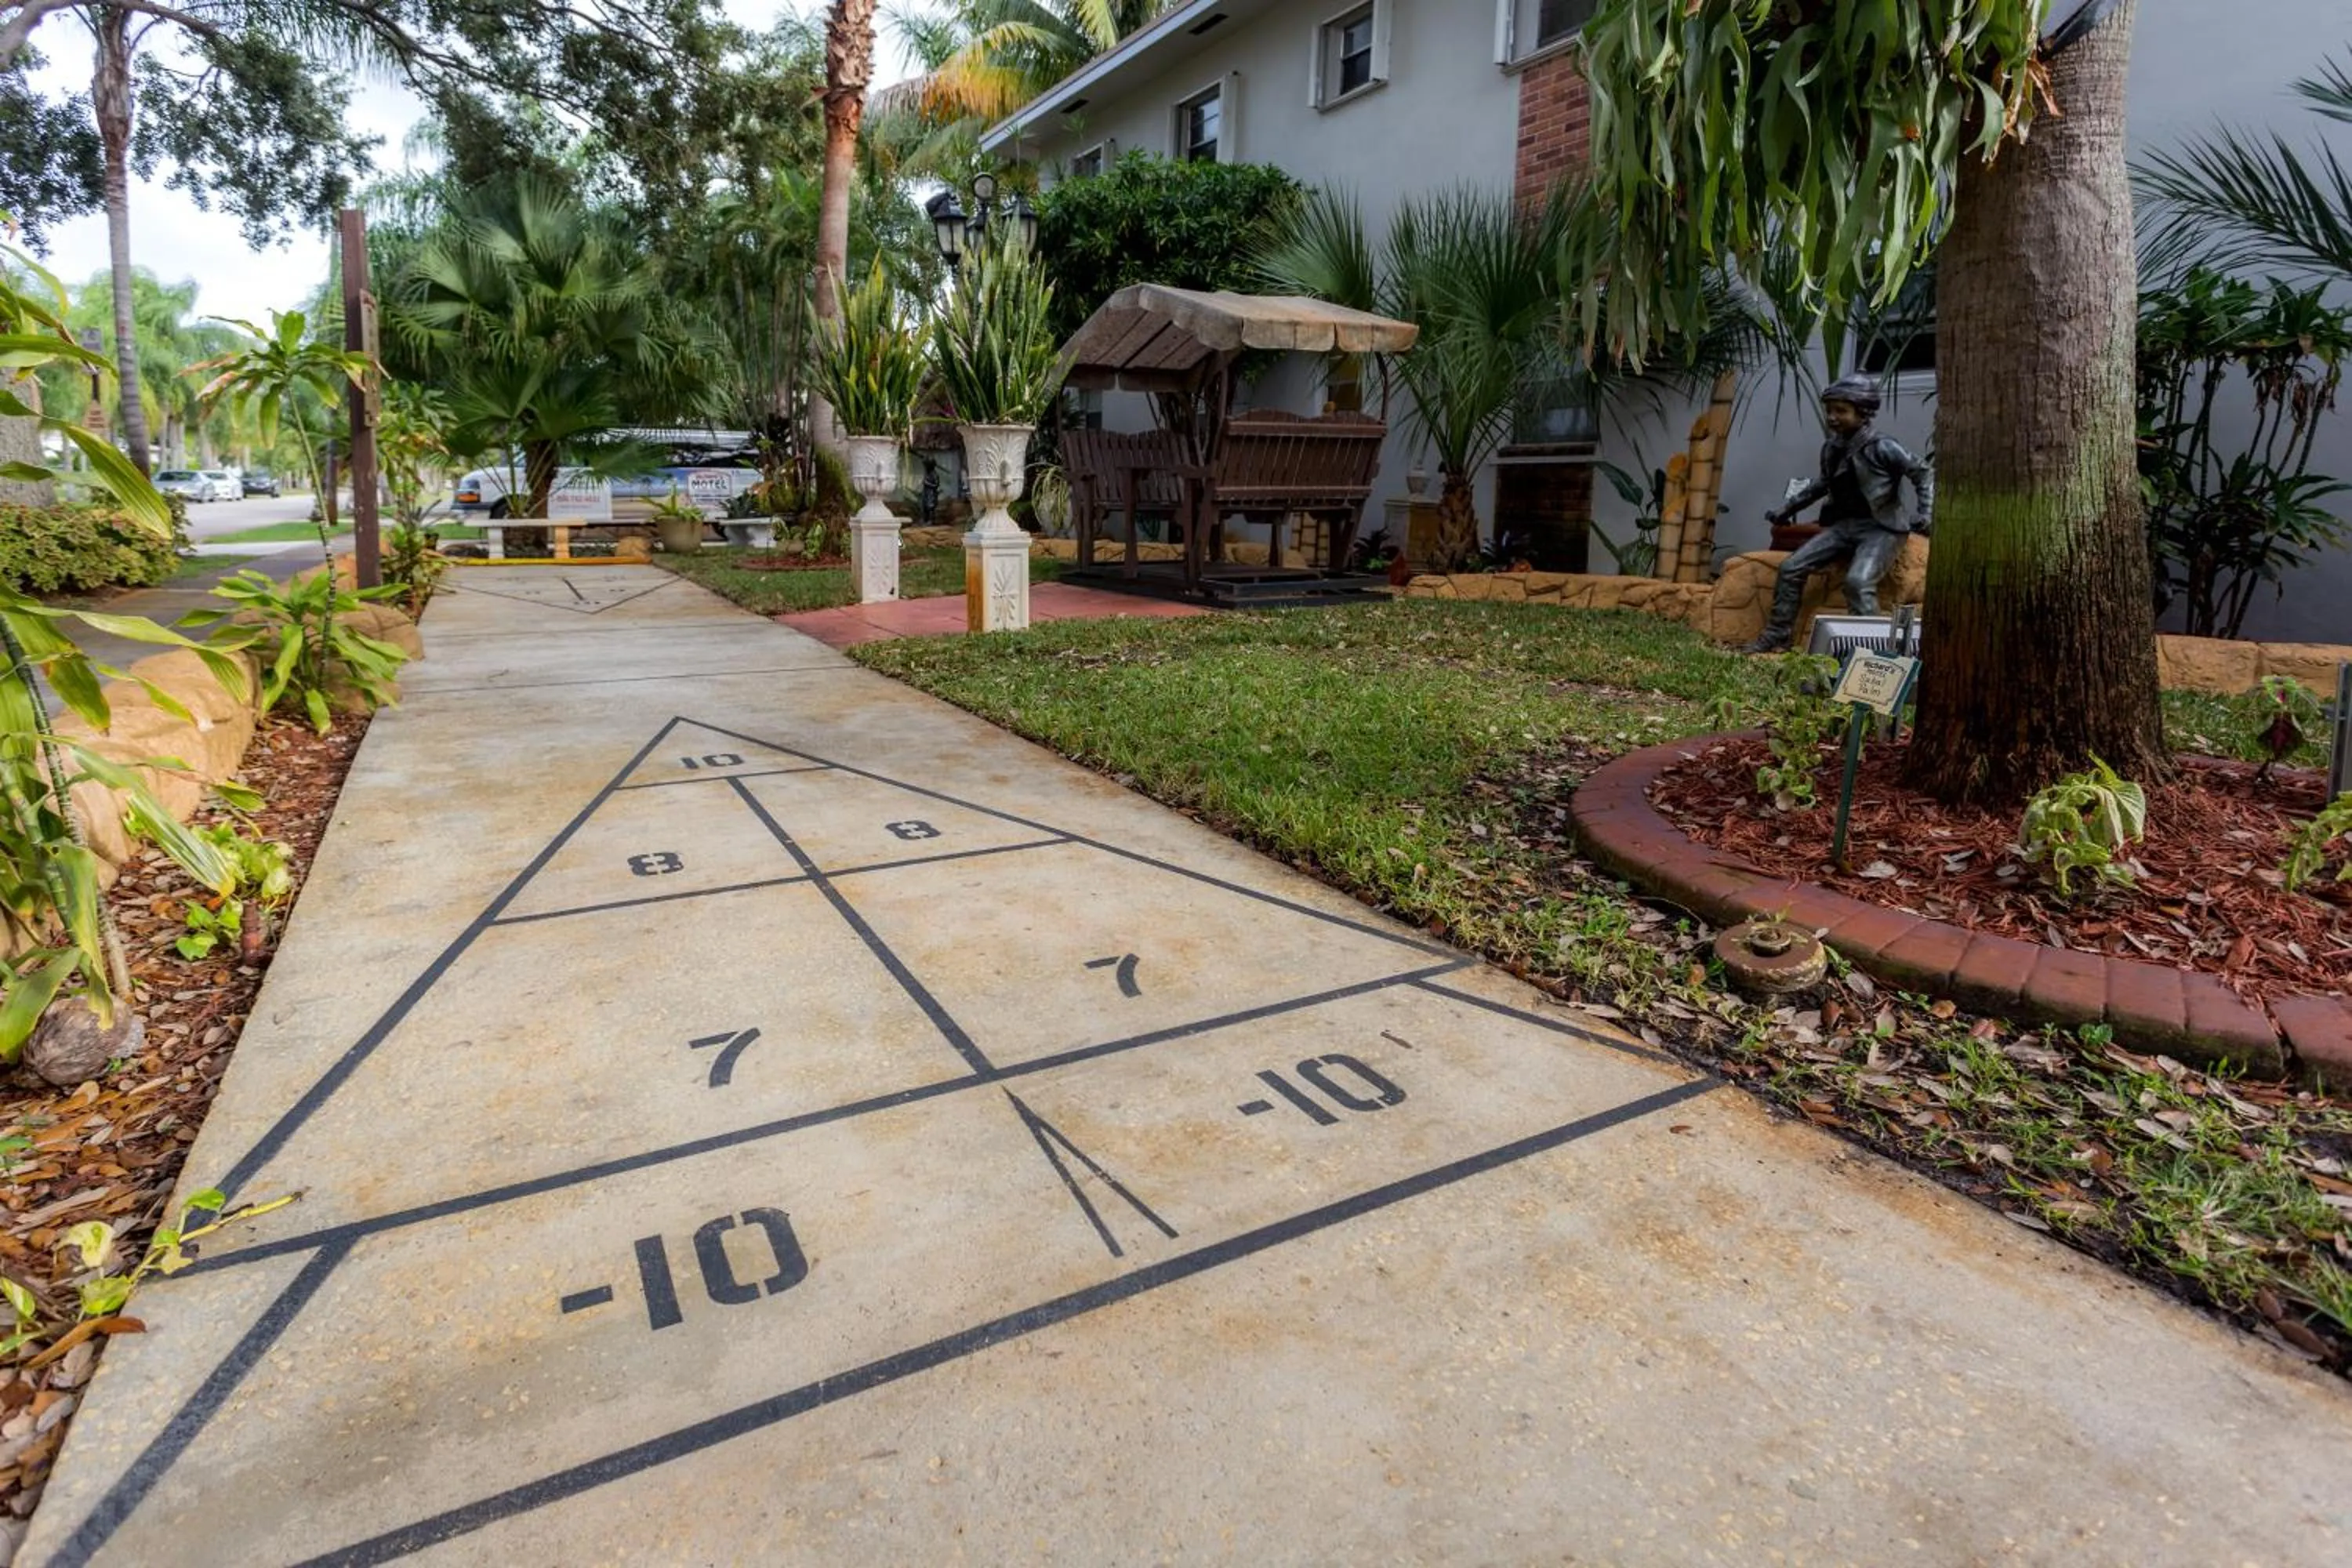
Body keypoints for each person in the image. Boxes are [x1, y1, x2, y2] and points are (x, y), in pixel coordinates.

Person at [1743, 376, 1934, 652]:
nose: (1832, 417)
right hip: (1845, 526)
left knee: (1858, 582)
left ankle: (1871, 652)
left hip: (1882, 529)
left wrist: (1926, 512)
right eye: (1829, 410)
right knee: (1791, 567)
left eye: (1841, 411)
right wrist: (1786, 509)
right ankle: (1778, 635)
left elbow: (1923, 472)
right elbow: (1823, 484)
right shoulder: (1832, 447)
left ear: (1864, 412)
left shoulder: (1883, 446)